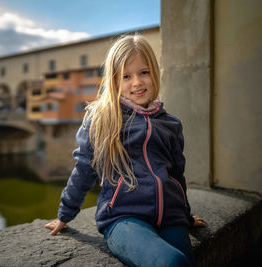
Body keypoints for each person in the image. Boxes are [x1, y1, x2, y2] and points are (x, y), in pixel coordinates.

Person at [44, 34, 206, 267]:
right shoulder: (103, 119)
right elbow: (84, 168)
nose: (137, 82)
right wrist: (64, 214)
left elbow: (177, 175)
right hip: (123, 218)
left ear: (155, 73)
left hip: (171, 218)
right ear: (114, 81)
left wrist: (186, 215)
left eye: (144, 72)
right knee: (173, 263)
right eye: (126, 76)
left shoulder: (171, 123)